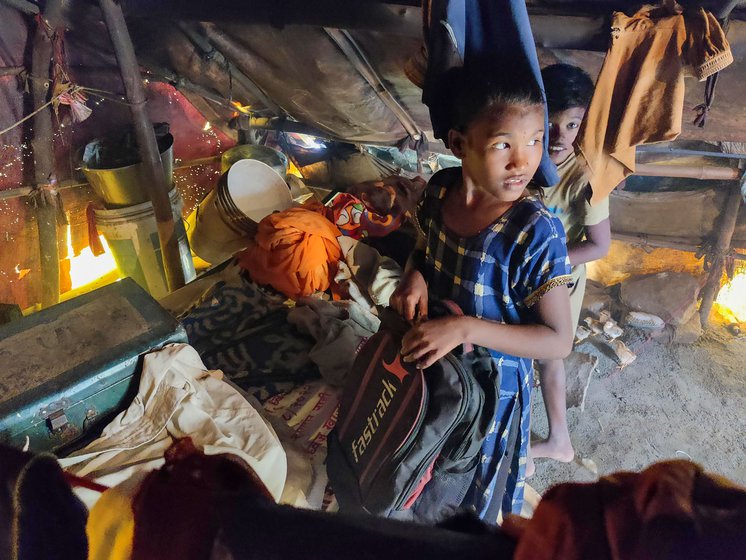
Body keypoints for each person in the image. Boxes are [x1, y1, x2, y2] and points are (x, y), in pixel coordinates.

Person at [389, 64, 574, 520]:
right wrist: (414, 273)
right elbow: (422, 249)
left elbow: (558, 340)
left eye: (533, 141)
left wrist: (465, 327)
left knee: (471, 487)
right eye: (502, 145)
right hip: (439, 370)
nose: (523, 161)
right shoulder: (437, 192)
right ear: (458, 144)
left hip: (491, 394)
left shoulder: (534, 229)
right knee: (423, 470)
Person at [528, 64, 612, 473]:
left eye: (573, 124)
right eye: (551, 122)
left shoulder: (586, 175)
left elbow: (599, 245)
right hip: (518, 274)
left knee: (548, 356)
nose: (560, 136)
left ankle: (559, 441)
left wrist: (547, 261)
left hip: (556, 281)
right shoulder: (522, 154)